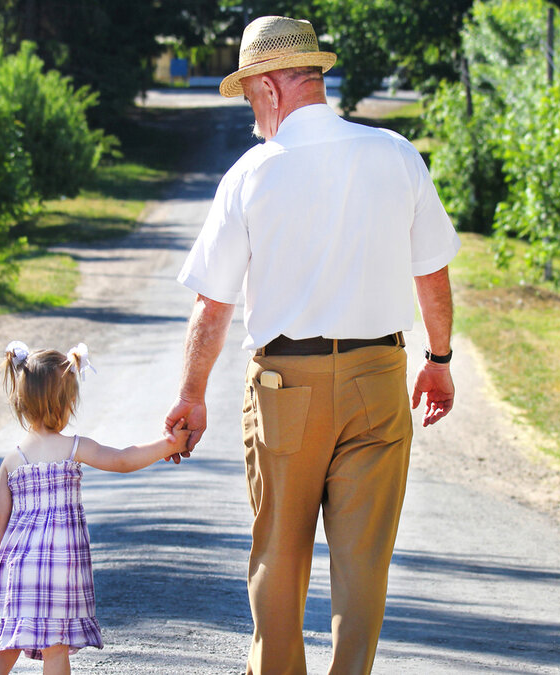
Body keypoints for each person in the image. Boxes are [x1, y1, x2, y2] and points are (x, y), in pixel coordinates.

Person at [164, 15, 461, 675]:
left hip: (283, 387)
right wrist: (438, 361)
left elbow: (211, 306)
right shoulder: (396, 154)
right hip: (380, 376)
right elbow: (433, 277)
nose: (250, 112)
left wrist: (191, 395)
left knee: (279, 549)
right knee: (363, 562)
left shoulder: (252, 173)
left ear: (269, 89)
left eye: (248, 97)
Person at [0, 341, 189, 675]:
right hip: (61, 568)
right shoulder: (74, 448)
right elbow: (123, 459)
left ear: (21, 402)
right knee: (55, 648)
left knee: (6, 642)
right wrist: (167, 444)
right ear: (67, 402)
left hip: (18, 566)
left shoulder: (14, 458)